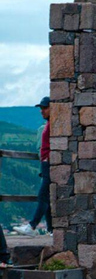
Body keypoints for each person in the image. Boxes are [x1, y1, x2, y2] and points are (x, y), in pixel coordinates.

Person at [14, 96, 52, 237]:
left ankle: (32, 227)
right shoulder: (49, 123)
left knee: (43, 195)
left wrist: (47, 158)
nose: (42, 111)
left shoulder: (53, 124)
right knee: (46, 196)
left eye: (45, 108)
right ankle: (51, 229)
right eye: (41, 108)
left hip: (48, 162)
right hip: (46, 162)